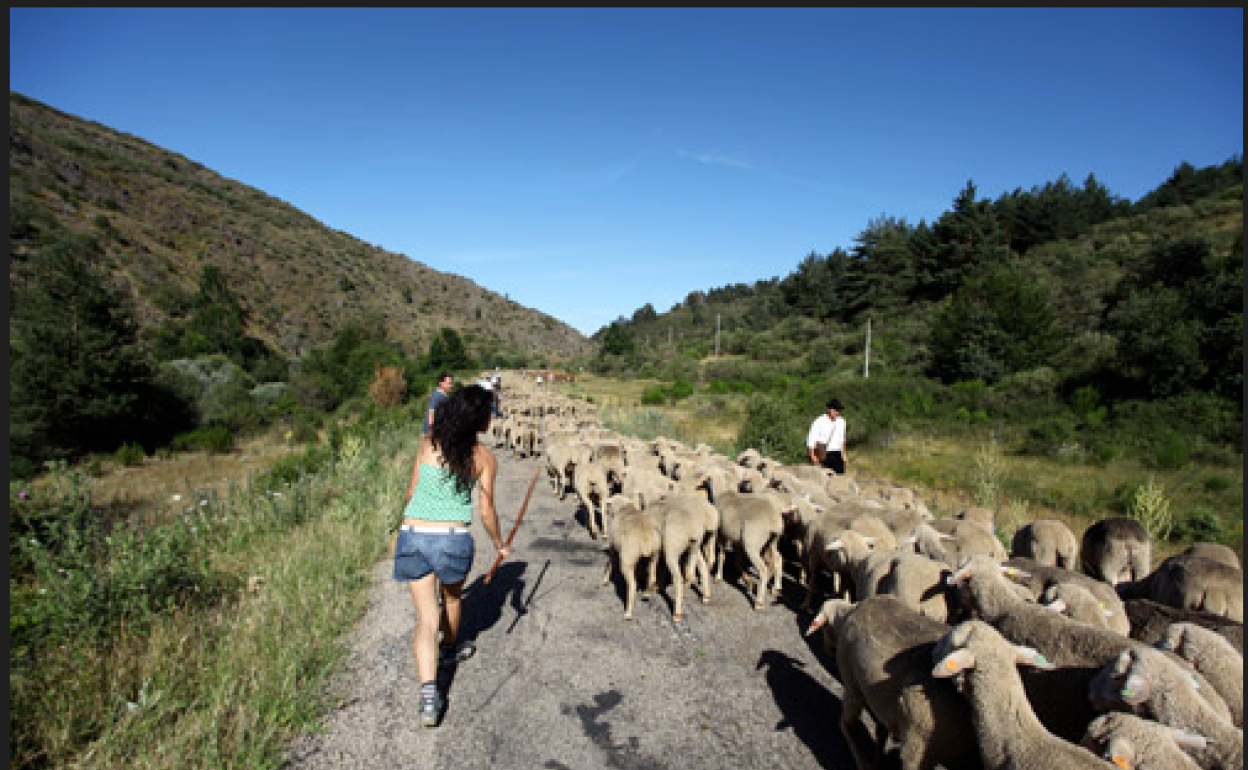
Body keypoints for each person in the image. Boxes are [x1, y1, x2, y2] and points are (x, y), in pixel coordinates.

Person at [394, 384, 511, 727]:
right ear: (478, 418)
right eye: (489, 412)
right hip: (452, 538)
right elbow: (486, 510)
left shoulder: (428, 444)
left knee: (425, 619)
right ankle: (449, 650)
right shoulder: (485, 458)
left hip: (413, 534)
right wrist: (500, 544)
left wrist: (413, 521)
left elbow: (411, 491)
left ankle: (429, 694)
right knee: (453, 600)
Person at [806, 398, 848, 474]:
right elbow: (811, 439)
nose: (837, 412)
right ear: (829, 409)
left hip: (837, 453)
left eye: (838, 410)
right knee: (824, 478)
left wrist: (844, 455)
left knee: (839, 478)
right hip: (824, 453)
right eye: (835, 410)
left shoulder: (842, 421)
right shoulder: (819, 421)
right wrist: (812, 456)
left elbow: (842, 439)